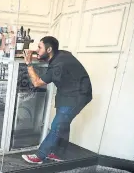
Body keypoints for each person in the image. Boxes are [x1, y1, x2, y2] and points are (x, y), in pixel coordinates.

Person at [22, 36, 92, 164]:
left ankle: (40, 156)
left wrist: (29, 63)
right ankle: (57, 154)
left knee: (57, 125)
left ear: (49, 49)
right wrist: (38, 53)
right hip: (70, 93)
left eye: (39, 47)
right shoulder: (61, 54)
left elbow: (37, 83)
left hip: (77, 96)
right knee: (63, 124)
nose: (37, 50)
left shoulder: (58, 65)